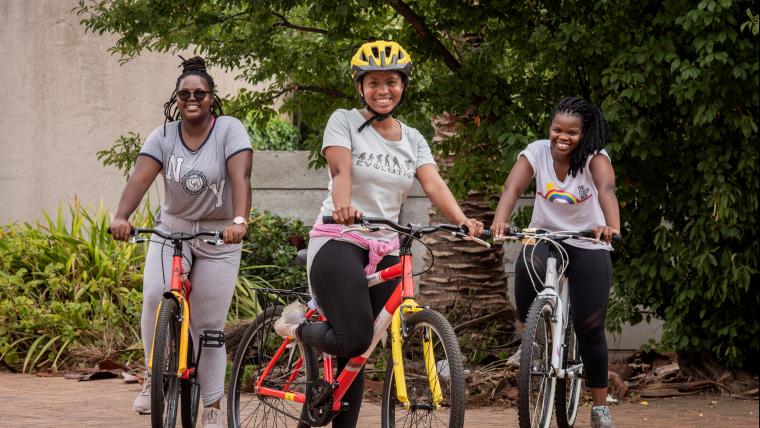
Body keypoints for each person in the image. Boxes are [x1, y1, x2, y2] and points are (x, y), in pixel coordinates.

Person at [273, 40, 484, 427]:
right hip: (340, 237)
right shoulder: (344, 120)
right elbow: (341, 171)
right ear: (360, 87)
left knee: (361, 351)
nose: (383, 90)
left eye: (391, 81)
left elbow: (434, 184)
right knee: (353, 338)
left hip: (385, 243)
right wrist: (343, 205)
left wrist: (462, 219)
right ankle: (297, 326)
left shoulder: (414, 138)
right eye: (373, 83)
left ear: (403, 85)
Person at [109, 56, 252, 428]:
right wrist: (122, 216)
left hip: (220, 234)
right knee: (156, 295)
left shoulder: (230, 130)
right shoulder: (163, 135)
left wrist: (239, 220)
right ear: (176, 98)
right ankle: (152, 375)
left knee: (208, 325)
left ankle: (214, 405)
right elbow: (140, 179)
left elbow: (241, 177)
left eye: (199, 93)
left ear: (211, 97)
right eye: (184, 93)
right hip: (173, 229)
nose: (192, 98)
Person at [490, 96, 620, 428]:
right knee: (526, 266)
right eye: (556, 129)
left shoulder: (595, 158)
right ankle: (533, 333)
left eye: (572, 132)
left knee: (590, 326)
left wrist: (610, 226)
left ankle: (600, 406)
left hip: (589, 240)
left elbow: (606, 189)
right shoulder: (535, 152)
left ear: (584, 133)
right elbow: (512, 187)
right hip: (545, 235)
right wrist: (500, 220)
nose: (562, 137)